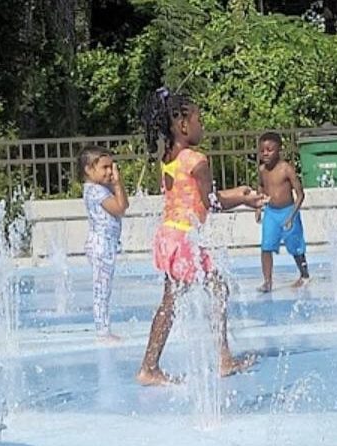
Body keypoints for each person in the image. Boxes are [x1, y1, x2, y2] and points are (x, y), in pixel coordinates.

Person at [136, 88, 264, 386]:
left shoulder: (169, 156)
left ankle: (208, 358)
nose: (201, 126)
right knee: (183, 299)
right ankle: (156, 366)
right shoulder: (196, 159)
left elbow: (197, 198)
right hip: (183, 240)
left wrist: (239, 193)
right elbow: (211, 203)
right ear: (183, 125)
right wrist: (243, 199)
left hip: (170, 234)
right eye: (198, 120)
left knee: (207, 289)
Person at [79, 145, 129, 342]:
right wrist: (118, 185)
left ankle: (104, 328)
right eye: (105, 168)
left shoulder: (100, 189)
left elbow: (123, 204)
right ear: (89, 170)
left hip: (106, 244)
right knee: (101, 288)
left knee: (105, 287)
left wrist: (115, 185)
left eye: (112, 167)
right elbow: (120, 207)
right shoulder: (94, 191)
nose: (110, 172)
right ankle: (102, 331)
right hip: (100, 244)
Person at [255, 131, 309, 293]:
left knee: (296, 247)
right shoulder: (262, 169)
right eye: (262, 150)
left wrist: (292, 216)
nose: (265, 153)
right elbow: (260, 187)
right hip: (271, 212)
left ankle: (304, 275)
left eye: (270, 150)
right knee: (266, 247)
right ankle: (267, 281)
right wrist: (258, 207)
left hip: (288, 211)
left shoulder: (286, 169)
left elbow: (300, 194)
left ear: (279, 150)